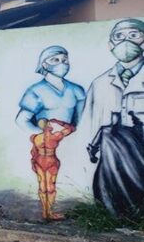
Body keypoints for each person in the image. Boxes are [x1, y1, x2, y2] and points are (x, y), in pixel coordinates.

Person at [82, 18, 144, 216]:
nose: (126, 41)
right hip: (111, 167)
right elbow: (90, 125)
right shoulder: (100, 84)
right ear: (111, 44)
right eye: (119, 37)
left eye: (134, 35)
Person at [15, 46, 85, 220]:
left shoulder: (77, 90)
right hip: (45, 145)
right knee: (44, 182)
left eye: (64, 60)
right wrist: (40, 136)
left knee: (53, 182)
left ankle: (50, 211)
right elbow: (22, 120)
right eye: (55, 60)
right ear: (44, 64)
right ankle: (47, 211)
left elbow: (82, 120)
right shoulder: (36, 91)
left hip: (69, 141)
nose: (62, 64)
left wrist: (68, 132)